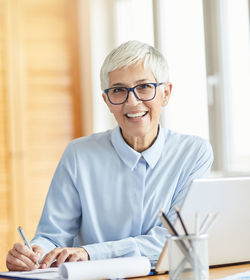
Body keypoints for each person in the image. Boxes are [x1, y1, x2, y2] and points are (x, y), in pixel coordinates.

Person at [6, 40, 213, 271]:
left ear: (166, 93)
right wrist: (33, 253)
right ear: (107, 101)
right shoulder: (79, 154)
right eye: (118, 90)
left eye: (144, 87)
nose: (132, 102)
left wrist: (90, 253)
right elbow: (53, 237)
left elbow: (175, 240)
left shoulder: (194, 153)